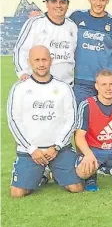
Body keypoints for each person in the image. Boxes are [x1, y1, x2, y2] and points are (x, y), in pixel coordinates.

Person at [8, 46, 83, 197]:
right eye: (37, 60)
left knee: (76, 188)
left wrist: (56, 146)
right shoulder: (19, 88)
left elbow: (71, 119)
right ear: (29, 62)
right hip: (31, 151)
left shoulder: (63, 87)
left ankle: (56, 173)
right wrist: (31, 149)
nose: (41, 64)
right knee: (17, 193)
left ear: (51, 61)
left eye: (44, 59)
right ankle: (41, 176)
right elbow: (14, 121)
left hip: (58, 150)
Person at [69, 0, 112, 103]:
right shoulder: (77, 17)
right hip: (82, 81)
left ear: (107, 1)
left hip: (106, 83)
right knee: (82, 118)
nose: (98, 3)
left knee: (106, 120)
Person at [14, 0, 77, 84]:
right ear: (47, 4)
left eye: (62, 2)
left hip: (66, 85)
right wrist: (23, 72)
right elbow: (20, 49)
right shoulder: (35, 23)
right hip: (39, 84)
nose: (58, 5)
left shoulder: (72, 26)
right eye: (54, 1)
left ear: (67, 5)